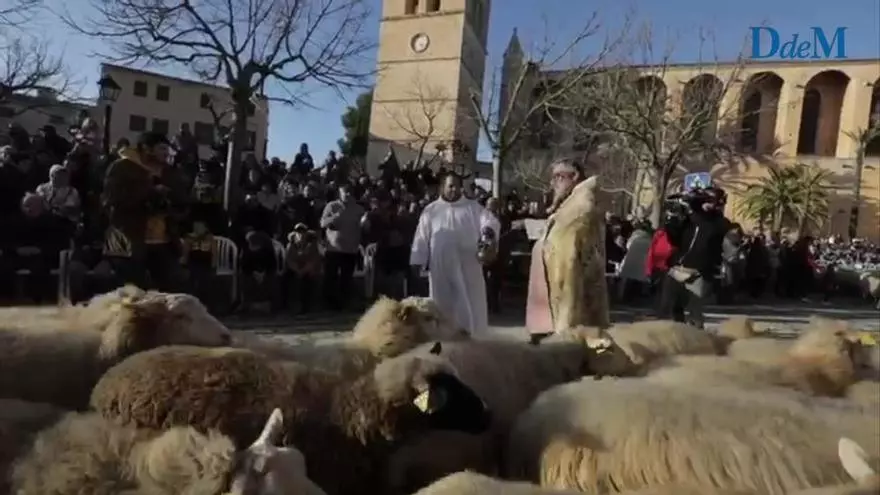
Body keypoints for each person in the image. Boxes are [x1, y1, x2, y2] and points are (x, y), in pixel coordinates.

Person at [525, 159, 609, 344]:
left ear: (575, 176)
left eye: (558, 177)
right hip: (557, 296)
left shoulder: (581, 207)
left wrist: (564, 321)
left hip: (569, 299)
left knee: (573, 348)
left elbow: (568, 261)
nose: (553, 183)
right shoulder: (569, 205)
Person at [410, 173, 500, 336]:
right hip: (441, 266)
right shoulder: (431, 210)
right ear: (442, 188)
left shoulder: (473, 207)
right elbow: (421, 236)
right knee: (442, 304)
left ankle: (474, 336)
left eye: (457, 186)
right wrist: (418, 260)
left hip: (468, 264)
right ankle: (444, 338)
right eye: (450, 186)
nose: (454, 189)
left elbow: (490, 221)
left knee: (471, 302)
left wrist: (488, 233)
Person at [102, 131, 186, 290]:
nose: (166, 153)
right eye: (162, 148)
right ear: (147, 149)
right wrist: (149, 193)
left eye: (167, 149)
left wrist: (171, 204)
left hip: (163, 240)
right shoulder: (122, 168)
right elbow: (111, 200)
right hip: (128, 240)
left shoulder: (168, 171)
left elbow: (181, 201)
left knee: (169, 289)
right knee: (133, 291)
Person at [660, 186, 729, 329]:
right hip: (677, 267)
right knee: (670, 306)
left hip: (699, 272)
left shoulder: (718, 223)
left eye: (715, 202)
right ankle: (674, 332)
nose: (712, 205)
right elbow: (674, 239)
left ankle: (696, 336)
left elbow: (718, 240)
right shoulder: (688, 219)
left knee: (695, 310)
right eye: (709, 201)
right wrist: (672, 220)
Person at [320, 182, 365, 310]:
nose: (348, 194)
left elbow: (363, 226)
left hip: (350, 249)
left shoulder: (359, 209)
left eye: (350, 192)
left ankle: (344, 304)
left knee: (346, 278)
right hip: (333, 248)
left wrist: (365, 224)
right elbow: (323, 223)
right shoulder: (332, 206)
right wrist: (334, 217)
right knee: (330, 277)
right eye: (345, 192)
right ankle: (328, 305)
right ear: (340, 193)